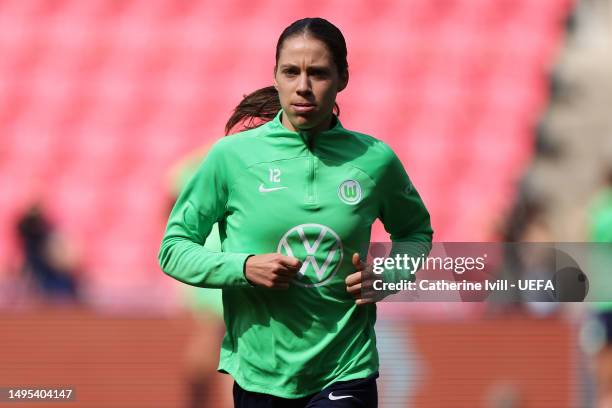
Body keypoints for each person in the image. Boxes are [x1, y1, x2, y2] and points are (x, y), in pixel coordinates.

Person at [158, 17, 433, 407]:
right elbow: (173, 249)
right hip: (260, 375)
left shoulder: (375, 161)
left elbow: (415, 233)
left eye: (318, 73)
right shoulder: (231, 158)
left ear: (342, 78)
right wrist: (244, 267)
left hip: (346, 369)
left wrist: (390, 275)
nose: (303, 86)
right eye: (291, 72)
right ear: (276, 76)